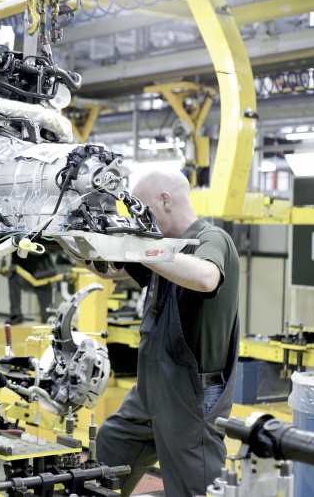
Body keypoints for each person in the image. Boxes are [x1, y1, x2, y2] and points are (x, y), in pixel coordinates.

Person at [76, 169, 240, 496]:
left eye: (143, 210)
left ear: (165, 201)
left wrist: (141, 249)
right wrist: (75, 238)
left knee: (194, 485)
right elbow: (110, 270)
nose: (139, 222)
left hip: (188, 394)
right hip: (151, 389)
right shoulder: (163, 248)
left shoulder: (210, 239)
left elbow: (207, 278)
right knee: (110, 448)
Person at [2, 251, 59, 324]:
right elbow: (14, 267)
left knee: (47, 319)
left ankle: (48, 319)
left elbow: (51, 251)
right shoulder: (17, 246)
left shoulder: (41, 243)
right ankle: (16, 315)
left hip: (45, 280)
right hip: (27, 279)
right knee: (14, 278)